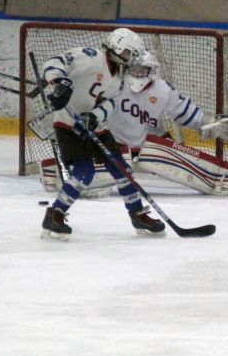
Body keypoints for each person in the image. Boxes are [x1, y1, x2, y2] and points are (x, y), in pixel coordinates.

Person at [40, 28, 165, 239]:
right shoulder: (91, 57)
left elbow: (110, 103)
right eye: (127, 53)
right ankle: (55, 213)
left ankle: (137, 214)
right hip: (68, 125)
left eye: (132, 56)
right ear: (115, 47)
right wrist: (59, 81)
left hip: (96, 127)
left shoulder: (121, 78)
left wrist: (94, 117)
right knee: (83, 173)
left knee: (122, 169)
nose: (129, 59)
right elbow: (55, 61)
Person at [107, 50, 228, 195]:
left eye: (143, 70)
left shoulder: (163, 90)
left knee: (163, 146)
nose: (138, 73)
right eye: (134, 69)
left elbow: (186, 113)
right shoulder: (115, 84)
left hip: (152, 145)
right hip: (116, 143)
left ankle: (215, 178)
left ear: (152, 71)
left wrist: (207, 122)